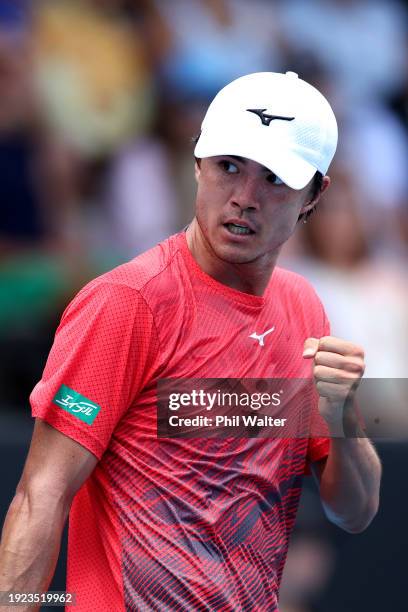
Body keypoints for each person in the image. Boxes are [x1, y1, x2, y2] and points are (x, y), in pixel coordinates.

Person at [0, 71, 381, 611]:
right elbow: (41, 496)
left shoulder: (306, 309)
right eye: (229, 167)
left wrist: (342, 414)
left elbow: (355, 511)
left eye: (274, 178)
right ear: (198, 163)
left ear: (314, 194)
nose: (245, 198)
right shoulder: (126, 303)